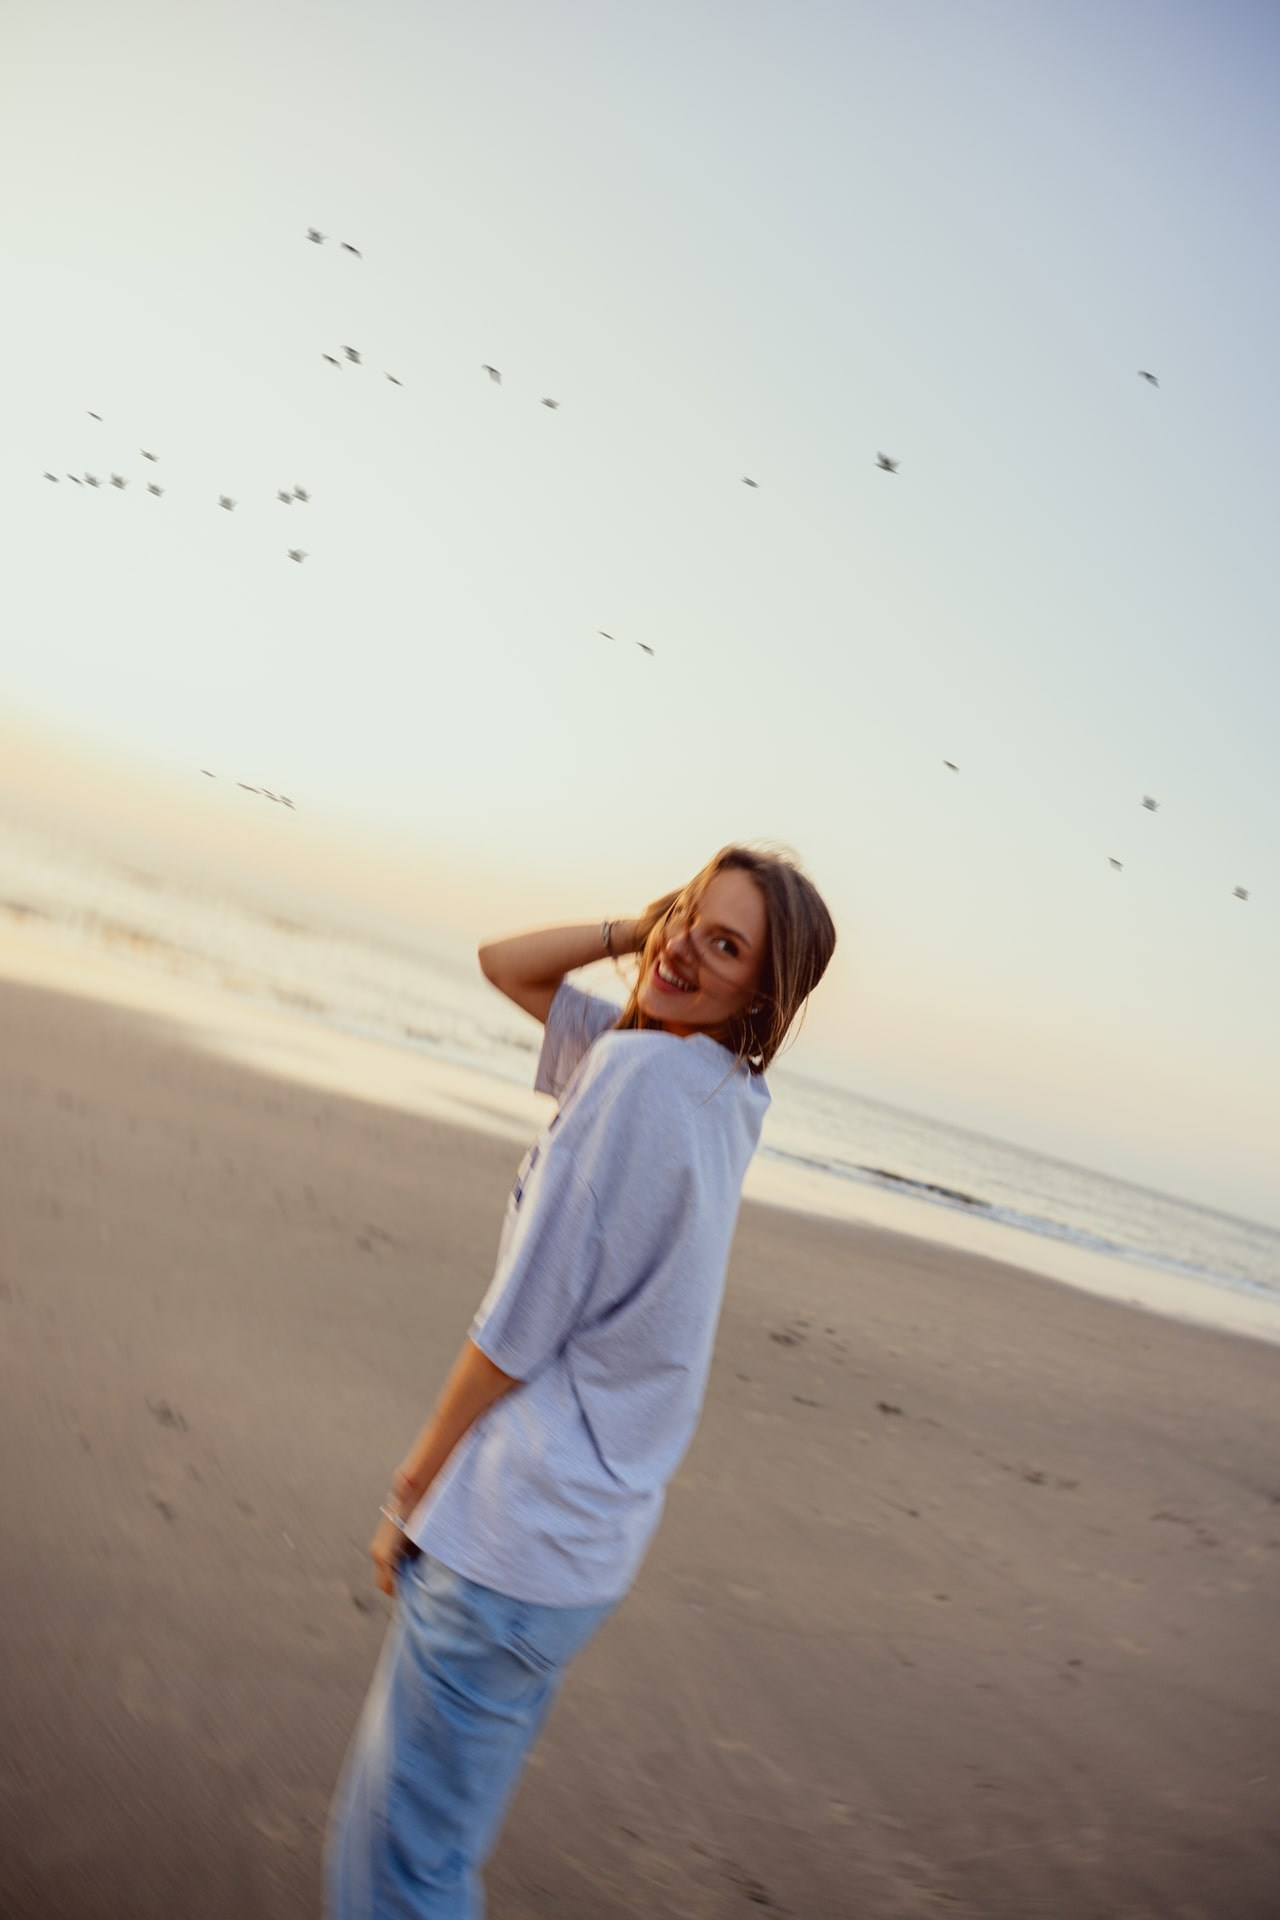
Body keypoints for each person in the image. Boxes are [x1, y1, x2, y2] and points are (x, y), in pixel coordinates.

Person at [325, 843, 836, 1919]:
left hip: (510, 1530)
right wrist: (643, 931)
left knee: (395, 1872)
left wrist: (408, 1490)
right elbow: (503, 964)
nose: (687, 951)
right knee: (431, 1853)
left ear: (763, 991)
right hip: (578, 1550)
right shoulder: (716, 1090)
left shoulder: (637, 1079)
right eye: (689, 918)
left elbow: (519, 1324)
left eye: (724, 944)